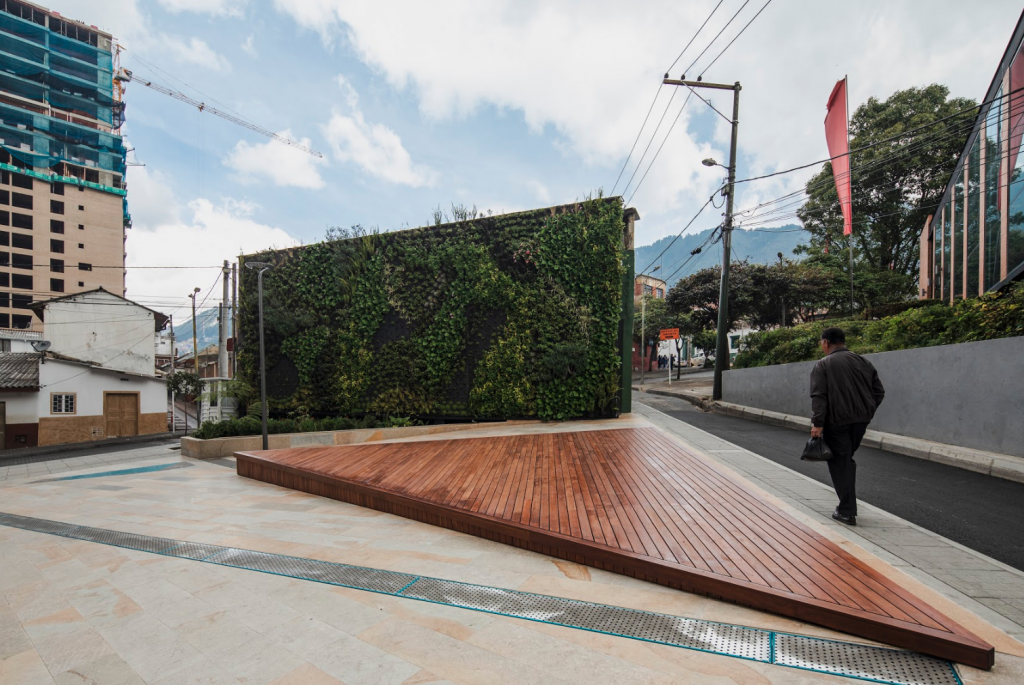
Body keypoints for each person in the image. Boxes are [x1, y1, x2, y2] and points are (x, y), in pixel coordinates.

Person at [809, 327, 885, 526]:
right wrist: (867, 411)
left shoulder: (823, 364)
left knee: (841, 462)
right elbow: (879, 391)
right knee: (845, 459)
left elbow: (819, 396)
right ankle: (847, 507)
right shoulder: (862, 361)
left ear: (826, 343)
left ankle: (846, 511)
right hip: (860, 421)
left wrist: (817, 423)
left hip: (837, 422)